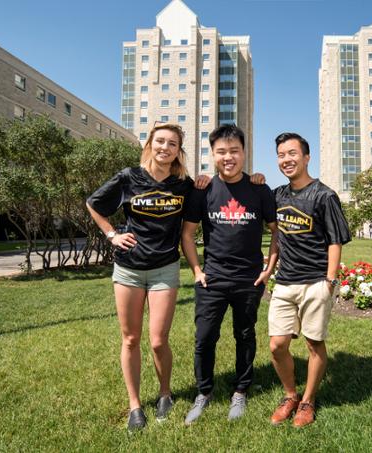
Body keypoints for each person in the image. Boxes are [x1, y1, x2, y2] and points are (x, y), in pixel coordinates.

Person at [87, 123, 206, 431]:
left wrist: (206, 180)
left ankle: (165, 392)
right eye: (160, 141)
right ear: (151, 145)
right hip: (128, 268)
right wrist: (112, 234)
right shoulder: (129, 177)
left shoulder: (184, 185)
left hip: (165, 268)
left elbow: (206, 196)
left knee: (157, 340)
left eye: (172, 144)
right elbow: (94, 204)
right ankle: (135, 405)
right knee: (130, 338)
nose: (165, 147)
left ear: (179, 151)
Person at [181, 124, 278, 425]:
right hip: (212, 279)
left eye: (234, 151)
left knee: (245, 335)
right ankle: (204, 392)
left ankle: (241, 390)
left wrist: (268, 269)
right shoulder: (204, 189)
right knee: (205, 337)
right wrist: (197, 270)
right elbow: (187, 234)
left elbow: (277, 233)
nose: (228, 157)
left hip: (249, 280)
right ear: (212, 154)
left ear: (244, 152)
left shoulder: (260, 190)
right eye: (221, 152)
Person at [267, 132, 351, 427]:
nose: (286, 160)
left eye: (292, 153)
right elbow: (275, 233)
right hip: (285, 282)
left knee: (314, 344)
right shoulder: (277, 195)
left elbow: (335, 240)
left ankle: (308, 401)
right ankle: (291, 394)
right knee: (277, 345)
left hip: (316, 281)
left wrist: (329, 281)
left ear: (306, 157)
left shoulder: (324, 195)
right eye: (280, 155)